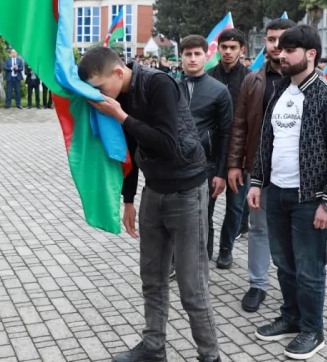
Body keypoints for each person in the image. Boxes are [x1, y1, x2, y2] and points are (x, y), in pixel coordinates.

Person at [78, 46, 222, 362]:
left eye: (99, 88)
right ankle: (154, 347)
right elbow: (131, 148)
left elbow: (168, 144)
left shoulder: (158, 84)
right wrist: (129, 200)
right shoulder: (121, 94)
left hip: (186, 190)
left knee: (192, 286)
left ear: (118, 72)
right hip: (153, 191)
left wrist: (121, 116)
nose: (99, 96)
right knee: (152, 278)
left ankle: (210, 355)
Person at [248, 25, 327, 360]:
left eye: (289, 49)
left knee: (309, 269)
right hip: (277, 193)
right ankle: (291, 318)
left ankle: (312, 330)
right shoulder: (280, 91)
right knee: (284, 264)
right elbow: (266, 141)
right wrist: (256, 182)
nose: (281, 55)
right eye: (280, 49)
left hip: (310, 199)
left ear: (310, 54)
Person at [227, 17, 295, 313]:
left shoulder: (309, 80)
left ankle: (296, 287)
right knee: (258, 229)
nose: (276, 45)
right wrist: (234, 164)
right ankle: (257, 284)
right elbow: (240, 125)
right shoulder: (253, 80)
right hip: (260, 169)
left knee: (295, 231)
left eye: (283, 39)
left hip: (296, 172)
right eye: (271, 39)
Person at [175, 35, 232, 279]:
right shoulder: (170, 86)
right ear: (181, 56)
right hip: (174, 165)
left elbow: (226, 134)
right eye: (187, 54)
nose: (192, 58)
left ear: (206, 56)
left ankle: (200, 269)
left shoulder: (219, 91)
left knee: (203, 218)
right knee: (175, 217)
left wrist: (221, 172)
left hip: (205, 167)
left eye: (197, 54)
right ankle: (177, 264)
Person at [207, 28, 249, 268]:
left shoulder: (251, 79)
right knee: (207, 205)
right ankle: (206, 247)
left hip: (239, 154)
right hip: (212, 152)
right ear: (218, 48)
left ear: (242, 49)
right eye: (224, 47)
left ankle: (226, 249)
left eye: (233, 47)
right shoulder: (208, 77)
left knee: (235, 207)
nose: (228, 52)